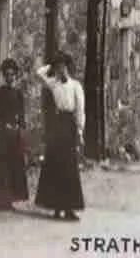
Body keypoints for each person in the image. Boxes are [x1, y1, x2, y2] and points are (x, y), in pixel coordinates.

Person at [34, 52, 85, 221]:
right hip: (57, 125)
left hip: (69, 124)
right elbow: (38, 74)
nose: (59, 71)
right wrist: (50, 65)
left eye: (62, 67)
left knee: (69, 167)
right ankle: (56, 207)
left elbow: (79, 109)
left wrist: (79, 130)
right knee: (55, 164)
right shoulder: (53, 84)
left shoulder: (75, 86)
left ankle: (69, 208)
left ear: (67, 68)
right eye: (57, 68)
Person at [0, 58, 29, 211]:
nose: (10, 77)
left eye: (13, 75)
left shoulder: (19, 94)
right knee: (1, 166)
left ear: (15, 76)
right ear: (4, 76)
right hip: (2, 133)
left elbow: (22, 114)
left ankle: (11, 198)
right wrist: (3, 123)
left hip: (14, 133)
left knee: (13, 166)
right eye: (8, 74)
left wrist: (19, 125)